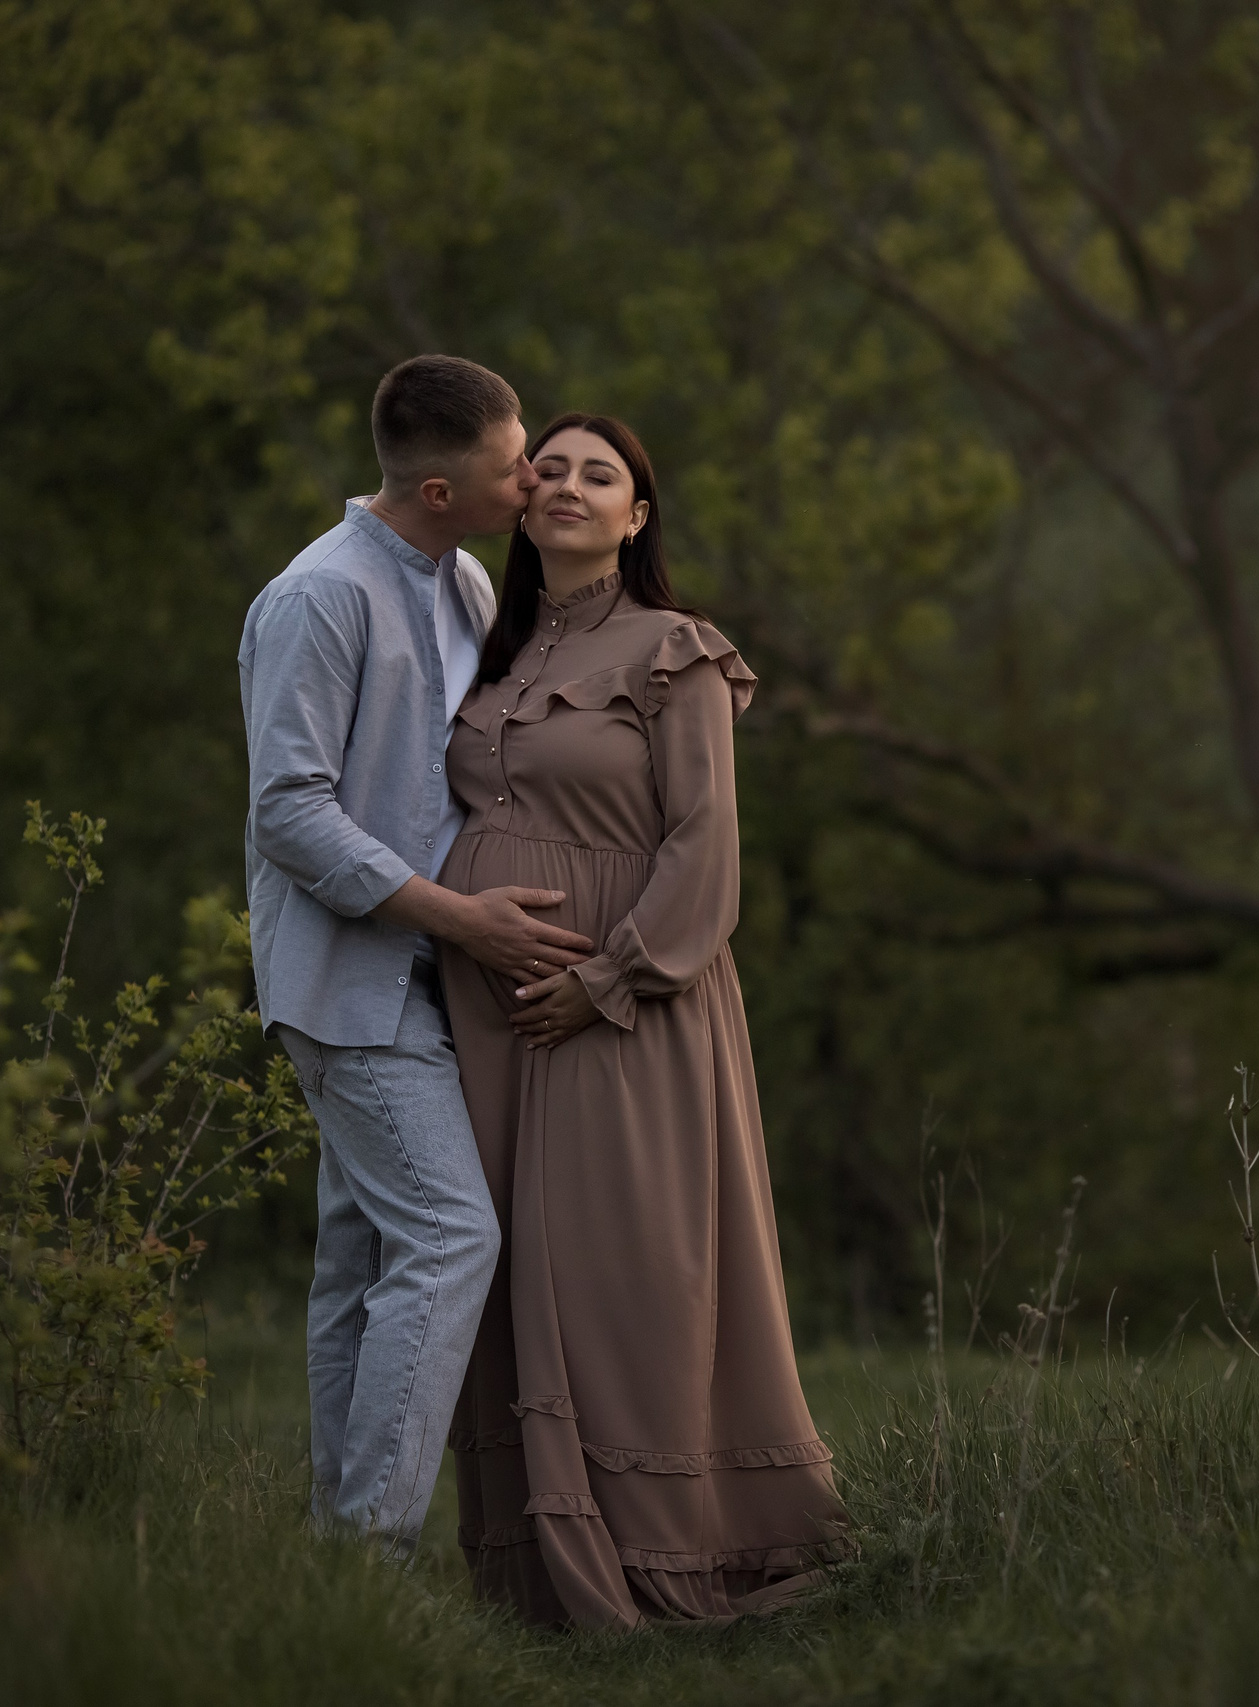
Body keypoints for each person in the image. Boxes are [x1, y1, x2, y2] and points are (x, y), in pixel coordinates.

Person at [441, 412, 854, 1628]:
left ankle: (678, 1557)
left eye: (601, 474)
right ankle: (530, 1579)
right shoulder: (496, 651)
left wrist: (610, 980)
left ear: (637, 517)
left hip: (625, 1007)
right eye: (552, 468)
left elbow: (704, 851)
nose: (569, 485)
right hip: (492, 1022)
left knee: (626, 1275)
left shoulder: (677, 652)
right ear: (521, 499)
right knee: (506, 1274)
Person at [239, 355, 597, 1559]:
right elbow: (289, 813)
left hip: (436, 980)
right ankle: (373, 1556)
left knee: (362, 1259)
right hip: (348, 984)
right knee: (450, 1238)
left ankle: (332, 1563)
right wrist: (462, 919)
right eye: (514, 465)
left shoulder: (464, 583)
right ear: (440, 490)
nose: (533, 477)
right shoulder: (319, 597)